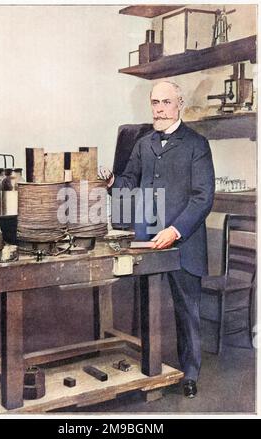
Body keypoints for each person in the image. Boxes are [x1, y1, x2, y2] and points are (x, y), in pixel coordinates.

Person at [100, 81, 215, 398]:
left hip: (184, 244)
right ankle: (145, 366)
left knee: (187, 311)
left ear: (179, 104)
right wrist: (111, 180)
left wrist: (175, 230)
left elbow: (203, 198)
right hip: (147, 241)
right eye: (155, 103)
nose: (159, 109)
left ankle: (189, 374)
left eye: (166, 102)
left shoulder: (197, 144)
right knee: (145, 304)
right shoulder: (143, 144)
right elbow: (128, 182)